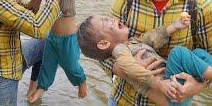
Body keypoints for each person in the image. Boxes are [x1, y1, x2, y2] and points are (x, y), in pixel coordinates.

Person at [13, 0, 100, 102]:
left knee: (71, 66)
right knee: (47, 65)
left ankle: (81, 81)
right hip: (51, 36)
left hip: (67, 37)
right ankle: (41, 89)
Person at [77, 14, 212, 105]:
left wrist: (174, 27)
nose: (112, 18)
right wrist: (159, 84)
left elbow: (151, 38)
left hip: (177, 88)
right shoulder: (119, 51)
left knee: (199, 53)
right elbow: (131, 69)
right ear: (104, 43)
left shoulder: (130, 43)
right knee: (178, 53)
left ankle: (204, 76)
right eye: (105, 21)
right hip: (169, 91)